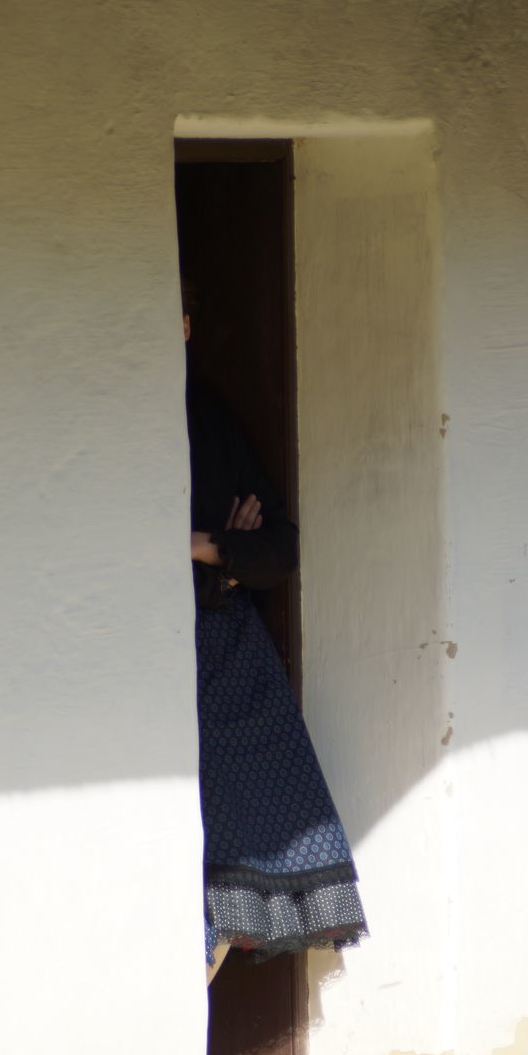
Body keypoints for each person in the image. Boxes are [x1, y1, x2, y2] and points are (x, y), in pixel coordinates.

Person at [184, 308, 367, 984]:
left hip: (229, 656)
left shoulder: (208, 419)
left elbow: (274, 552)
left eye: (183, 315)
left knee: (259, 831)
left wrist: (204, 547)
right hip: (152, 660)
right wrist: (218, 549)